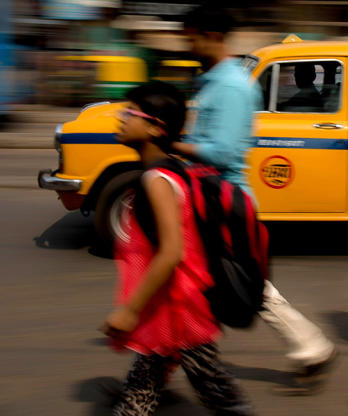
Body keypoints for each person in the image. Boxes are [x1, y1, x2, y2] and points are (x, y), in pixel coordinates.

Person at [170, 4, 337, 394]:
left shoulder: (229, 85)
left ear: (210, 36)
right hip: (212, 200)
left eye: (190, 37)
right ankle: (311, 348)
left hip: (224, 203)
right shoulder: (214, 80)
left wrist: (172, 144)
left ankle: (312, 347)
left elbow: (223, 152)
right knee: (217, 287)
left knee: (241, 287)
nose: (186, 44)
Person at [102, 81, 253, 416]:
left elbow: (172, 252)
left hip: (180, 310)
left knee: (216, 391)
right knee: (148, 381)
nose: (121, 117)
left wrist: (129, 310)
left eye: (130, 112)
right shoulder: (169, 170)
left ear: (155, 128)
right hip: (170, 306)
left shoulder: (156, 180)